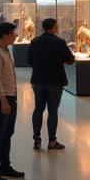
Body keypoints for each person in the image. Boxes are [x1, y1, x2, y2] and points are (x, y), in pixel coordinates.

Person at [29, 17, 75, 150]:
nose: (58, 28)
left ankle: (37, 138)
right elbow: (70, 59)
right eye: (57, 26)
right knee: (52, 110)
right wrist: (60, 62)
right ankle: (52, 140)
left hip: (38, 80)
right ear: (53, 27)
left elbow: (30, 60)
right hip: (55, 81)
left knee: (38, 109)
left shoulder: (35, 41)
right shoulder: (59, 42)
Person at [0, 21, 23, 180]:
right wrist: (3, 101)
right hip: (2, 98)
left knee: (8, 133)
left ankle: (5, 166)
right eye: (13, 34)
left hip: (10, 97)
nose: (15, 36)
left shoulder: (6, 51)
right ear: (5, 35)